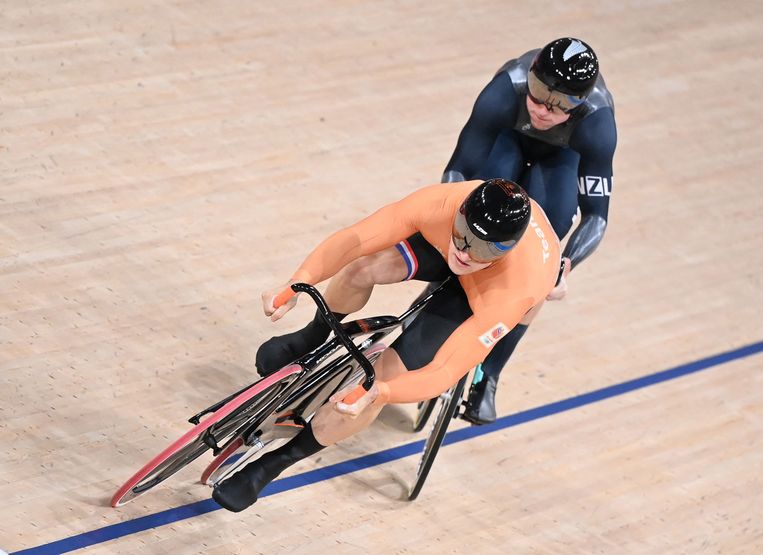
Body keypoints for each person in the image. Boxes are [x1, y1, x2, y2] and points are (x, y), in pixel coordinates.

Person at [255, 37, 617, 425]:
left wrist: (565, 263)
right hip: (507, 143)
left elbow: (596, 216)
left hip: (561, 161)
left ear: (582, 103)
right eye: (541, 92)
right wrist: (451, 227)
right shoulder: (505, 91)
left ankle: (488, 376)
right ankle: (315, 333)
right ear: (529, 77)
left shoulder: (597, 125)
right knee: (478, 193)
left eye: (562, 103)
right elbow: (457, 175)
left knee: (538, 278)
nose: (545, 109)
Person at [212, 178, 561, 512]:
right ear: (458, 214)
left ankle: (273, 464)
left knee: (379, 381)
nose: (467, 252)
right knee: (360, 268)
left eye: (483, 246)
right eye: (464, 234)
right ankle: (313, 336)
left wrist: (382, 393)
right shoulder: (442, 204)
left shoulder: (516, 289)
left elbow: (446, 370)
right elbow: (355, 240)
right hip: (446, 247)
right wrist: (297, 282)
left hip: (487, 289)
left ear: (506, 249)